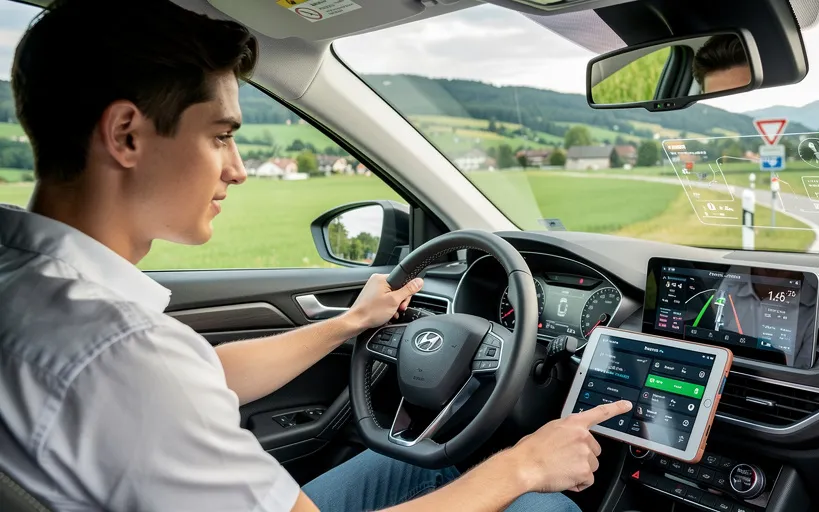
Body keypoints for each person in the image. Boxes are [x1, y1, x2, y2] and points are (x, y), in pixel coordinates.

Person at [0, 1, 631, 511]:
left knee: (402, 460)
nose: (238, 170)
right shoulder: (123, 354)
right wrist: (525, 465)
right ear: (126, 135)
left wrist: (348, 324)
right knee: (539, 505)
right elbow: (156, 377)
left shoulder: (32, 285)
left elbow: (202, 375)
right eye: (220, 136)